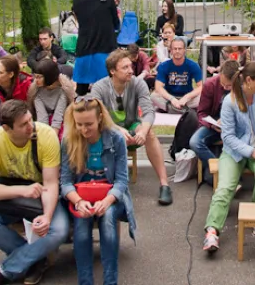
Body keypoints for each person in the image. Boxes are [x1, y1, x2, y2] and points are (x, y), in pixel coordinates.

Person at [0, 99, 69, 285]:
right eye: (23, 124)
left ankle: (7, 269)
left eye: (30, 120)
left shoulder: (46, 135)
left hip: (43, 193)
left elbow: (51, 183)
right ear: (6, 128)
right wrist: (23, 190)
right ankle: (35, 259)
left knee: (59, 230)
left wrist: (47, 217)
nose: (30, 126)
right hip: (12, 193)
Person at [60, 96, 138, 285]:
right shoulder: (69, 140)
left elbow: (121, 180)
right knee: (81, 228)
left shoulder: (116, 138)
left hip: (110, 195)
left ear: (100, 118)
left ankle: (110, 281)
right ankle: (85, 281)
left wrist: (108, 200)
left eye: (89, 124)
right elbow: (65, 182)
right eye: (79, 124)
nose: (84, 130)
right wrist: (78, 201)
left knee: (108, 220)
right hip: (81, 196)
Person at [202, 61, 255, 253]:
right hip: (234, 152)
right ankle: (212, 231)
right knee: (225, 187)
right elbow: (228, 137)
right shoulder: (230, 101)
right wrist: (252, 151)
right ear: (249, 80)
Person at [92, 49, 173, 205]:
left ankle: (164, 184)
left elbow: (149, 111)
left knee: (149, 133)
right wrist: (116, 129)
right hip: (108, 130)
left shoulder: (137, 83)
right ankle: (102, 183)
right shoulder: (99, 87)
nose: (131, 70)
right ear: (112, 71)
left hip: (131, 125)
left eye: (131, 66)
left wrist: (143, 130)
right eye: (125, 68)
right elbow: (97, 117)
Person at [71, 0, 120, 95]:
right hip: (105, 51)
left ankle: (78, 112)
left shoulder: (77, 0)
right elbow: (116, 23)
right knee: (108, 91)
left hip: (84, 51)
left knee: (81, 91)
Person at [190, 60, 237, 185]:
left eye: (229, 86)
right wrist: (212, 124)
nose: (225, 88)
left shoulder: (243, 86)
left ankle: (222, 175)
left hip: (235, 127)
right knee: (195, 142)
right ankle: (222, 172)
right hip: (213, 124)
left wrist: (230, 122)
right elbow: (201, 113)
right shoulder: (210, 84)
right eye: (223, 84)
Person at [152, 38, 203, 113]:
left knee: (203, 97)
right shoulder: (164, 66)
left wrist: (187, 97)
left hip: (187, 99)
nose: (177, 51)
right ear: (171, 51)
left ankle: (172, 109)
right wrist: (172, 99)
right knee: (153, 96)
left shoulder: (193, 65)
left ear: (184, 50)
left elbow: (201, 86)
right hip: (169, 98)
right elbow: (158, 87)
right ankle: (183, 110)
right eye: (175, 49)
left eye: (180, 48)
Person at [31, 60, 70, 130]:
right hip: (44, 123)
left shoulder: (62, 90)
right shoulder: (36, 91)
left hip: (62, 121)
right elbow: (42, 117)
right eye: (35, 77)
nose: (36, 80)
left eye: (39, 77)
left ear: (49, 76)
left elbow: (58, 117)